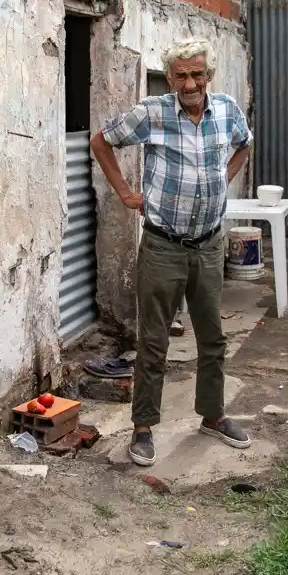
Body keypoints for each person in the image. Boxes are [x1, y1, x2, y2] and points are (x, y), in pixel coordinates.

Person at [90, 37, 253, 467]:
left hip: (209, 245)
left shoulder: (227, 111)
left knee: (213, 337)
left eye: (197, 73)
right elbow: (101, 141)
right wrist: (125, 192)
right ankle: (143, 428)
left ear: (209, 75)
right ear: (171, 77)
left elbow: (245, 142)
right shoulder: (153, 112)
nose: (189, 82)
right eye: (181, 74)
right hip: (163, 245)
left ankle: (213, 415)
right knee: (153, 342)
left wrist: (223, 175)